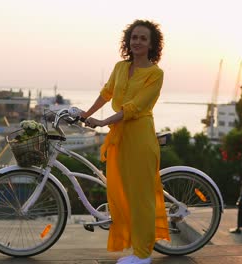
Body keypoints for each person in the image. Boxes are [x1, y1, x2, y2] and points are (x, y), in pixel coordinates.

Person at [81, 19, 170, 264]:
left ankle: (143, 255)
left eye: (143, 38)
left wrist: (103, 122)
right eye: (134, 37)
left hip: (140, 137)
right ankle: (135, 248)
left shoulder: (155, 74)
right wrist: (87, 114)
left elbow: (134, 108)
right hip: (120, 139)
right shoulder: (120, 67)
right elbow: (107, 92)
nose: (137, 42)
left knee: (141, 198)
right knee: (123, 194)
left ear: (152, 44)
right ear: (128, 41)